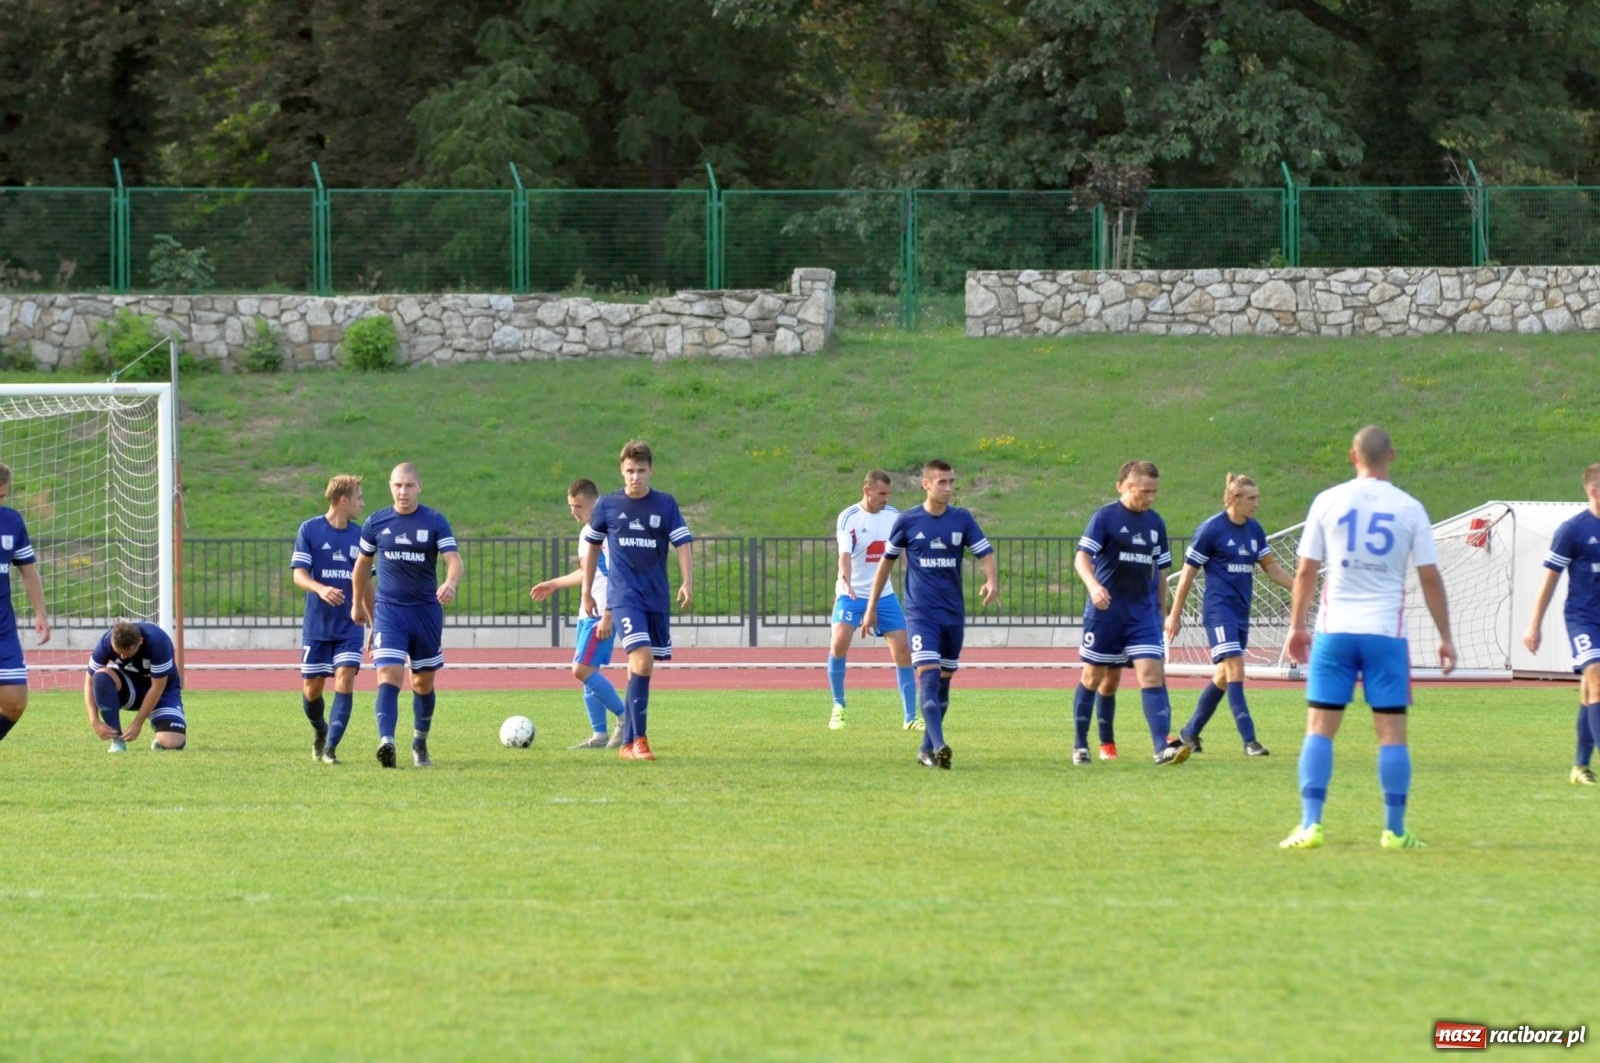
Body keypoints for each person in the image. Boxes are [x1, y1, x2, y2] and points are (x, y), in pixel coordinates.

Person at [1281, 426, 1455, 851]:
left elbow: (1305, 571)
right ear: (1391, 456)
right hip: (1385, 634)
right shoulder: (1410, 508)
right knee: (1392, 734)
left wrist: (1296, 626)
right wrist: (1445, 636)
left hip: (1335, 631)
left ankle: (1311, 825)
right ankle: (1394, 831)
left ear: (1351, 456)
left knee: (1319, 730)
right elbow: (1429, 577)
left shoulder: (1327, 500)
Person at [862, 459, 998, 770]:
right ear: (926, 484)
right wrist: (871, 607)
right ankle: (940, 745)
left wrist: (991, 580)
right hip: (921, 614)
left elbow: (985, 553)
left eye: (951, 482)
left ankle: (926, 751)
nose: (948, 488)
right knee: (929, 676)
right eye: (942, 482)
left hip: (953, 614)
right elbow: (886, 563)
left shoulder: (962, 519)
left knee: (944, 684)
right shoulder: (908, 521)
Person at [1165, 473, 1296, 757]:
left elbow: (1271, 569)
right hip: (1218, 610)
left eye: (1257, 498)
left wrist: (1301, 588)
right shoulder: (1211, 529)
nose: (1257, 504)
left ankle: (1189, 732)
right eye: (1251, 498)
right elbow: (1187, 575)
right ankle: (1250, 741)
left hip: (1240, 611)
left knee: (1224, 675)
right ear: (1234, 499)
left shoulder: (1255, 530)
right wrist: (1174, 615)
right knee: (1236, 668)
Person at [580, 441, 693, 762]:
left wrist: (687, 581)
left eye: (641, 471)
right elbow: (591, 547)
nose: (635, 477)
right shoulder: (608, 505)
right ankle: (640, 740)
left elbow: (682, 544)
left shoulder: (665, 504)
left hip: (655, 597)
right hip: (624, 597)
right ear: (622, 470)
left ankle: (628, 744)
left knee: (640, 668)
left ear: (650, 471)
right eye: (630, 471)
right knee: (641, 660)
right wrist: (587, 591)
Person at [1072, 461, 1190, 766]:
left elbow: (1161, 571)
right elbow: (1081, 559)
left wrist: (1162, 612)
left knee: (1152, 674)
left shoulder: (1156, 523)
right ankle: (1081, 744)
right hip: (1106, 613)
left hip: (1142, 615)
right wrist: (1094, 586)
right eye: (1144, 491)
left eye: (1154, 492)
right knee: (1094, 677)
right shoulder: (1105, 517)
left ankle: (1161, 749)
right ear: (1124, 486)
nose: (1150, 497)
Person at [351, 462, 462, 769]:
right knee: (388, 674)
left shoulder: (435, 520)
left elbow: (454, 560)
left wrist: (450, 583)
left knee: (423, 682)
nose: (403, 491)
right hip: (389, 612)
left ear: (419, 487)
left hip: (425, 612)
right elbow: (361, 566)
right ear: (390, 486)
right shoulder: (376, 522)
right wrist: (357, 603)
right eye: (398, 485)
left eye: (409, 486)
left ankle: (419, 741)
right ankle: (386, 741)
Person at [530, 479, 628, 749]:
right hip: (588, 612)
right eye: (571, 506)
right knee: (589, 674)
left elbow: (618, 577)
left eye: (578, 506)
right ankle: (599, 734)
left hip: (602, 612)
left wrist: (609, 613)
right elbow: (587, 573)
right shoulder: (587, 534)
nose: (573, 511)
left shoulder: (608, 533)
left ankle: (624, 717)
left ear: (594, 503)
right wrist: (554, 584)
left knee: (580, 669)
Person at [1521, 463, 1600, 786]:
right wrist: (1534, 625)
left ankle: (1580, 766)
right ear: (1594, 492)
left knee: (1588, 691)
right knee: (1596, 677)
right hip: (1584, 618)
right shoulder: (1573, 530)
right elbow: (1549, 581)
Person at [827, 470, 921, 732]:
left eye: (889, 494)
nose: (886, 499)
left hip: (884, 595)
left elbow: (902, 550)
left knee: (903, 650)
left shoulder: (893, 516)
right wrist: (845, 581)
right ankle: (838, 707)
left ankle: (911, 717)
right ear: (867, 490)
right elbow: (844, 555)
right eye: (882, 494)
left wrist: (914, 570)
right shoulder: (849, 518)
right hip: (852, 594)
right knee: (838, 643)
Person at [291, 474, 371, 764]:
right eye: (359, 497)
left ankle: (331, 749)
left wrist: (372, 621)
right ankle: (320, 731)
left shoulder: (361, 536)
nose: (363, 503)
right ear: (343, 500)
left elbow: (367, 583)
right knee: (312, 689)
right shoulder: (310, 530)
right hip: (317, 625)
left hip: (350, 623)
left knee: (345, 679)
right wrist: (320, 588)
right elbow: (299, 574)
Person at [0, 461, 50, 746]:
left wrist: (40, 613)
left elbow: (28, 570)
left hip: (3, 627)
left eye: (2, 496)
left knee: (14, 703)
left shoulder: (12, 521)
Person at [85, 620, 186, 752]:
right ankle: (117, 740)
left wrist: (137, 723)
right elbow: (89, 682)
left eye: (127, 653)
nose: (122, 656)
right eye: (118, 652)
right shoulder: (106, 641)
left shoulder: (159, 642)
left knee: (171, 742)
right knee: (100, 677)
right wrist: (94, 720)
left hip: (162, 692)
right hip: (132, 688)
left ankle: (163, 731)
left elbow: (157, 687)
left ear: (140, 642)